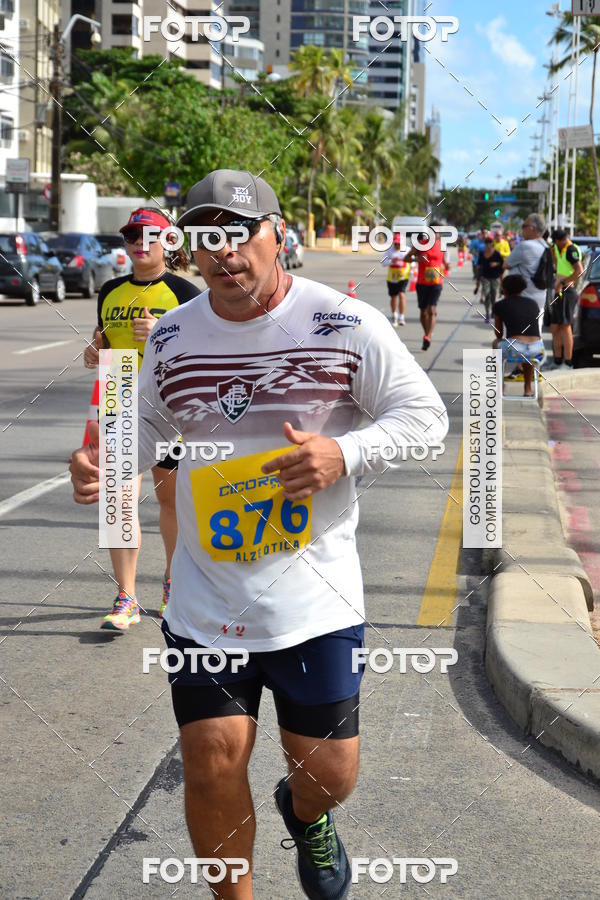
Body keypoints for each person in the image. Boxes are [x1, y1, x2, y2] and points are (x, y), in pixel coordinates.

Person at [70, 169, 448, 900]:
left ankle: (306, 816)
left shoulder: (343, 322)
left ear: (277, 236)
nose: (224, 252)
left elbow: (426, 418)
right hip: (207, 600)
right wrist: (105, 458)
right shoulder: (174, 334)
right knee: (211, 759)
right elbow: (147, 423)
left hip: (315, 602)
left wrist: (345, 452)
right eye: (205, 237)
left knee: (328, 775)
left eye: (239, 233)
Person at [83, 207, 198, 630]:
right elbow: (102, 342)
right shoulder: (110, 290)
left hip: (167, 401)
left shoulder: (185, 292)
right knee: (117, 498)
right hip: (119, 390)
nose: (138, 243)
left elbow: (203, 352)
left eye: (149, 235)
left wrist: (161, 336)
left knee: (171, 501)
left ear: (169, 242)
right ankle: (126, 596)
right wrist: (93, 351)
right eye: (132, 235)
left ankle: (174, 584)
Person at [493, 274, 545, 397]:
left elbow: (499, 334)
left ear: (504, 289)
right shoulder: (533, 303)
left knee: (495, 344)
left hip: (516, 347)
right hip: (537, 349)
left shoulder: (499, 305)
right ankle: (527, 389)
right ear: (522, 289)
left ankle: (501, 387)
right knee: (527, 353)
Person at [404, 222, 450, 350]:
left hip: (436, 282)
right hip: (422, 283)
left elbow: (443, 261)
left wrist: (447, 265)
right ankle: (426, 333)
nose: (436, 234)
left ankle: (428, 336)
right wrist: (416, 259)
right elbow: (406, 258)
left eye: (438, 232)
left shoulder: (441, 245)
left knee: (432, 310)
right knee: (423, 312)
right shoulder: (420, 244)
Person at [545, 228, 583, 368]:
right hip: (559, 291)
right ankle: (557, 360)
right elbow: (557, 262)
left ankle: (568, 362)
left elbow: (579, 270)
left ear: (559, 240)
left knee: (565, 326)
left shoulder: (571, 250)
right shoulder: (558, 248)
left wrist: (563, 282)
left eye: (556, 242)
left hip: (567, 291)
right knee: (555, 327)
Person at [381, 231, 410, 326]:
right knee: (393, 297)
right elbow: (383, 263)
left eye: (399, 244)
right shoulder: (389, 251)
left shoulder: (407, 250)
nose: (397, 245)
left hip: (403, 277)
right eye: (396, 243)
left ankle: (401, 317)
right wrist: (392, 261)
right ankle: (394, 315)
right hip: (392, 278)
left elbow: (413, 261)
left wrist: (413, 269)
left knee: (402, 295)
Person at [474, 236, 503, 323]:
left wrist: (496, 264)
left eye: (489, 244)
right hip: (485, 277)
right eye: (486, 244)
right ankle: (487, 314)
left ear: (492, 244)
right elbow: (479, 266)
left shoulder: (497, 254)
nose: (487, 246)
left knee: (493, 296)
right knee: (487, 295)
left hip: (495, 277)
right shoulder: (482, 254)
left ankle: (493, 311)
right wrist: (477, 281)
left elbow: (502, 264)